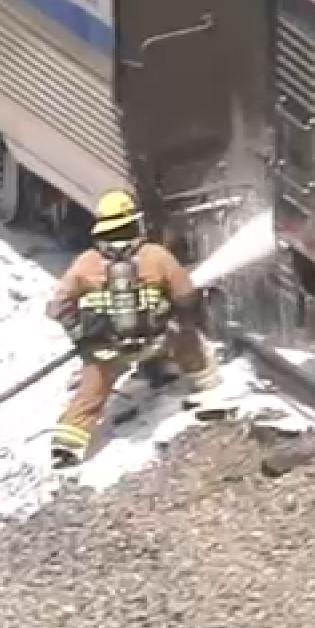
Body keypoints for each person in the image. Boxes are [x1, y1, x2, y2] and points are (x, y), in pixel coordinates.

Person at [46, 189, 220, 468]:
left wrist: (82, 339)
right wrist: (183, 320)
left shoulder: (86, 262)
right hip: (156, 340)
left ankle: (66, 446)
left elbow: (57, 308)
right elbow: (186, 296)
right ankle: (208, 394)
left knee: (91, 392)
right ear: (132, 222)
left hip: (106, 350)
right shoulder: (156, 255)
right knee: (188, 342)